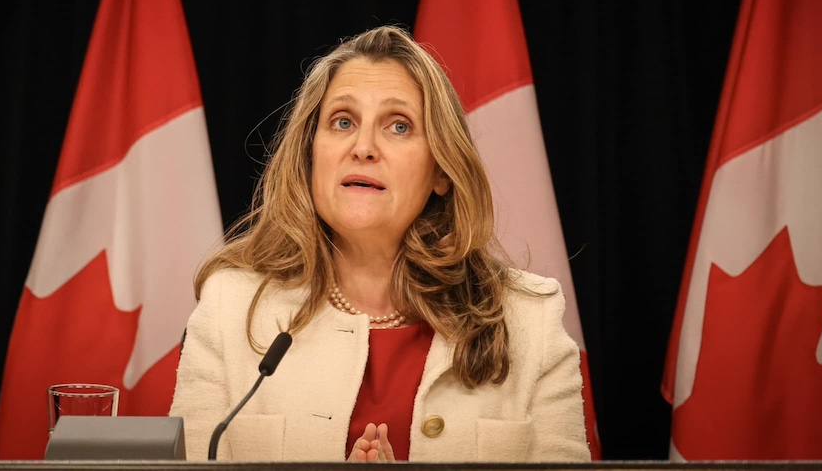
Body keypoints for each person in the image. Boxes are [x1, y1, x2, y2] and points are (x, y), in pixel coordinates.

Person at [169, 24, 590, 462]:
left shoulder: (530, 320)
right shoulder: (229, 308)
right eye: (343, 121)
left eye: (399, 126)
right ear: (310, 155)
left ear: (442, 171)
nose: (364, 147)